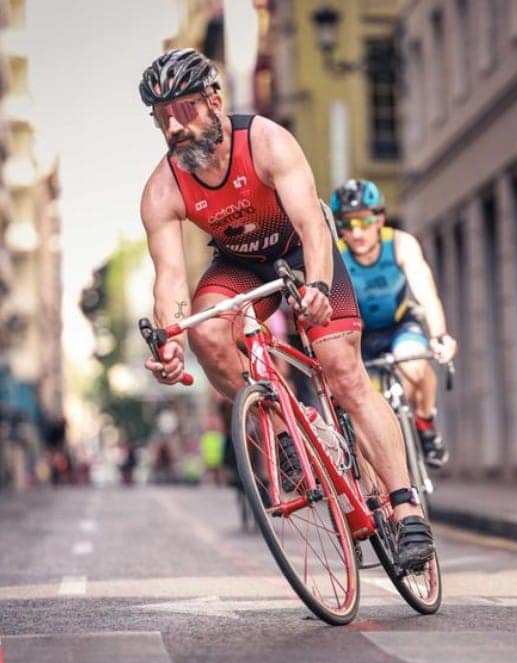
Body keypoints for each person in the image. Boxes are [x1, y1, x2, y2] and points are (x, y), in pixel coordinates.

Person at [138, 49, 433, 569]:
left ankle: (407, 509)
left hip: (303, 250)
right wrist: (171, 342)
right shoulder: (163, 188)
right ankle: (284, 432)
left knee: (343, 372)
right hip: (242, 264)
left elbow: (315, 225)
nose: (173, 127)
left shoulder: (268, 141)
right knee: (209, 334)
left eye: (183, 110)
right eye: (162, 117)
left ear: (215, 102)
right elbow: (171, 280)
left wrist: (318, 286)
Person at [331, 179, 457, 468]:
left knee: (414, 367)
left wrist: (440, 335)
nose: (358, 232)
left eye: (364, 221)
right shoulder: (336, 255)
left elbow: (426, 293)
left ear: (380, 219)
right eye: (349, 225)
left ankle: (424, 423)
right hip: (359, 335)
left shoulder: (400, 244)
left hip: (399, 325)